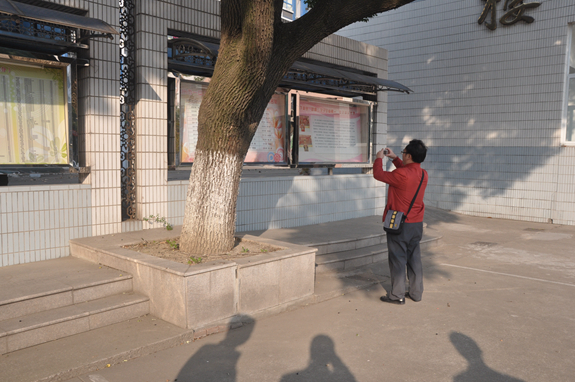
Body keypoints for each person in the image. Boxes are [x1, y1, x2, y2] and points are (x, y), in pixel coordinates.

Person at [373, 139, 428, 305]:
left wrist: (379, 159)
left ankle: (397, 295)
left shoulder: (402, 174)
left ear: (409, 156)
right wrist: (395, 158)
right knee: (414, 259)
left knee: (397, 259)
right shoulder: (423, 174)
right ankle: (416, 293)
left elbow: (378, 174)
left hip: (400, 224)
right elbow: (406, 172)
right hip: (416, 224)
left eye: (404, 153)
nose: (402, 155)